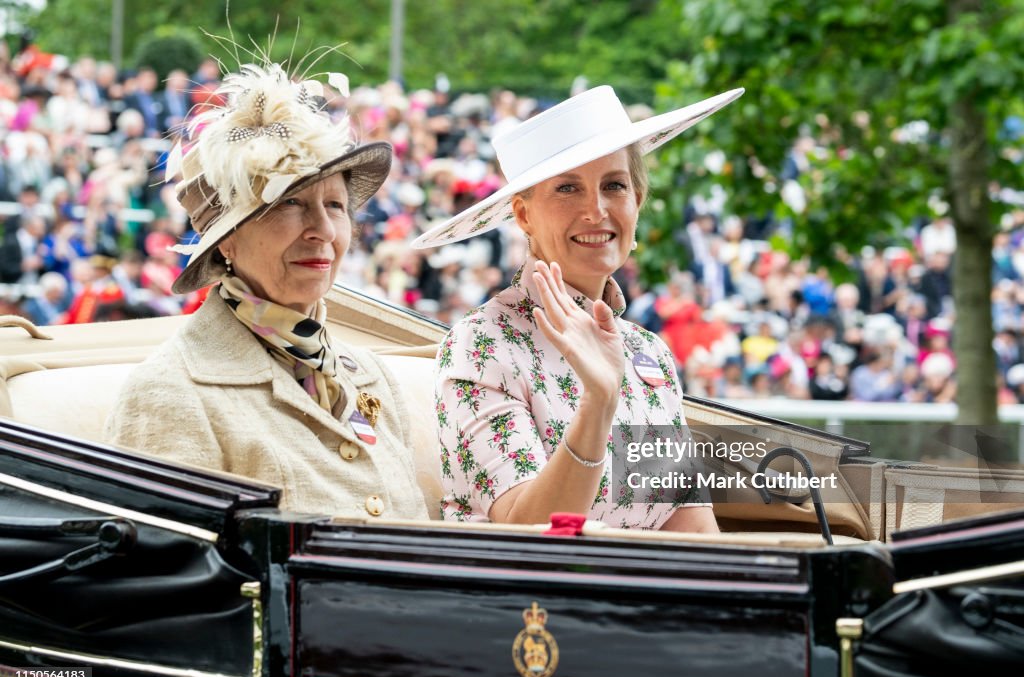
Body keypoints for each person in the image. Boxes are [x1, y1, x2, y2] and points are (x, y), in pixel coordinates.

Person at [106, 62, 428, 520]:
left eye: (335, 205)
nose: (322, 230)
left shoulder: (372, 377)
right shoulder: (172, 392)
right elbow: (167, 580)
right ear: (227, 242)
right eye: (289, 203)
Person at [412, 85, 743, 530]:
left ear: (637, 202)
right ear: (524, 216)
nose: (596, 210)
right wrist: (599, 401)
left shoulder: (649, 354)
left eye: (615, 186)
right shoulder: (482, 343)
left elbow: (692, 532)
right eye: (568, 188)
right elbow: (525, 531)